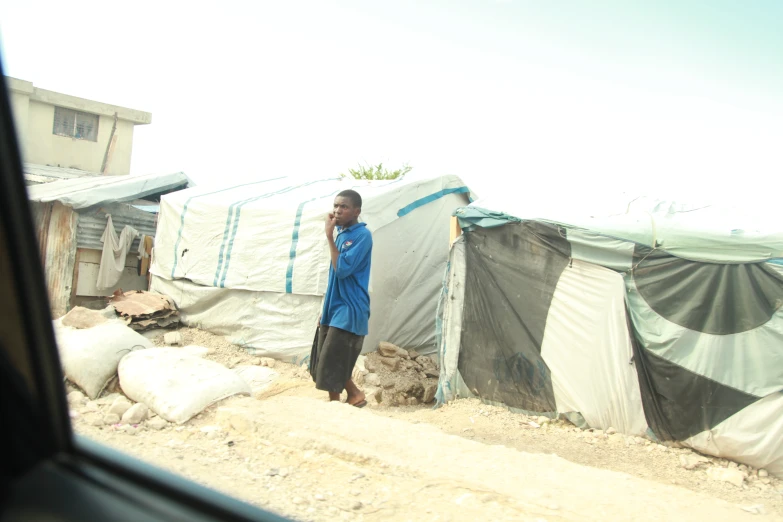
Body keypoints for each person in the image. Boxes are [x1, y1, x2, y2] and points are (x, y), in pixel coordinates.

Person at [310, 189, 373, 407]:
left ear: (356, 211)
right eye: (336, 206)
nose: (337, 211)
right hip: (335, 306)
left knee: (331, 358)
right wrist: (325, 308)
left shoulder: (363, 236)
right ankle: (346, 399)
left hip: (350, 307)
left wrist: (328, 236)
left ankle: (348, 399)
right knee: (324, 359)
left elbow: (343, 270)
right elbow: (334, 280)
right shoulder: (343, 234)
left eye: (344, 207)